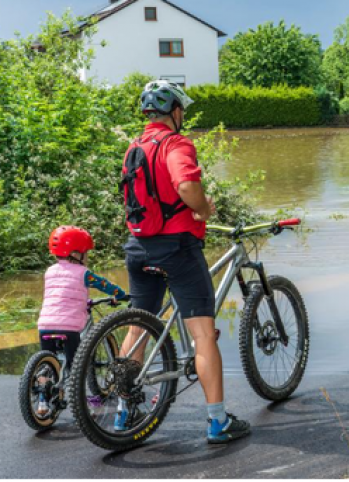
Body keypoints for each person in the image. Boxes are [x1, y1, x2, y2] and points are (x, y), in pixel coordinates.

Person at [117, 80, 250, 444]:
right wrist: (204, 208)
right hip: (176, 246)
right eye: (183, 110)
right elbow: (186, 187)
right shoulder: (176, 143)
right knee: (203, 334)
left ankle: (122, 411)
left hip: (138, 246)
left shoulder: (135, 146)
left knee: (138, 327)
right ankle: (218, 422)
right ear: (175, 111)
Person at [38, 226, 127, 415]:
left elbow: (61, 295)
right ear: (76, 253)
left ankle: (42, 402)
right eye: (86, 253)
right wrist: (121, 294)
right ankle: (80, 406)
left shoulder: (49, 271)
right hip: (69, 328)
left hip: (45, 325)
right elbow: (104, 284)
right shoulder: (83, 273)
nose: (87, 257)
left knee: (46, 363)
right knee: (76, 366)